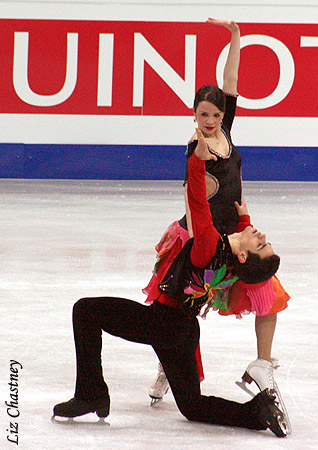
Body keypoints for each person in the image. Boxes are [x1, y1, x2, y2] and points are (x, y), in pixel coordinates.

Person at [52, 129, 288, 438]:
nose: (264, 237)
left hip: (161, 322)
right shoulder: (232, 261)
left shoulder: (208, 247)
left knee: (85, 311)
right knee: (192, 406)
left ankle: (90, 393)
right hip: (184, 331)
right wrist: (243, 221)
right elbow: (240, 250)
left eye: (262, 245)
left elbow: (198, 203)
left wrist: (196, 161)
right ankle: (256, 412)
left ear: (244, 254)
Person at [145, 18, 290, 410]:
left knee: (269, 293)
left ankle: (261, 364)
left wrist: (236, 37)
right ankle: (168, 365)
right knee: (178, 312)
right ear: (194, 115)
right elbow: (193, 200)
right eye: (202, 115)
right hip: (206, 242)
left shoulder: (225, 129)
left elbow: (230, 80)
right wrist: (199, 249)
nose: (208, 122)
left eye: (214, 115)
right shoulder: (196, 148)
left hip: (239, 235)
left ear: (222, 115)